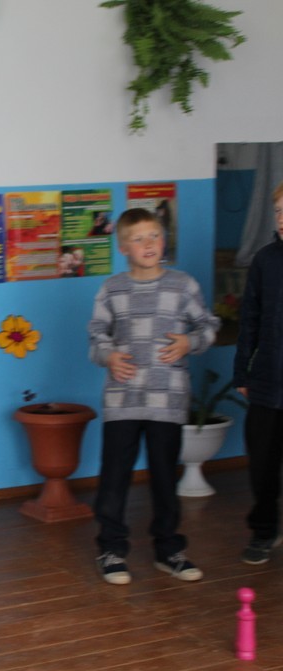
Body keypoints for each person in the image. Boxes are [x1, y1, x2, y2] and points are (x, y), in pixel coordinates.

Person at [87, 207, 218, 585]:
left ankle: (168, 549)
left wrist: (189, 342)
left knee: (164, 477)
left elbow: (209, 325)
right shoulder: (112, 289)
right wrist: (109, 355)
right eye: (139, 238)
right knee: (115, 478)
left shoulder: (183, 286)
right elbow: (96, 335)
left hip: (168, 401)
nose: (148, 244)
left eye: (155, 236)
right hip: (122, 400)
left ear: (164, 241)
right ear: (123, 247)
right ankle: (112, 549)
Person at [233, 181, 283, 565]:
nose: (282, 219)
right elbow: (248, 318)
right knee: (262, 463)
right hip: (268, 382)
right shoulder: (265, 260)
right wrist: (242, 374)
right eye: (279, 212)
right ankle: (264, 531)